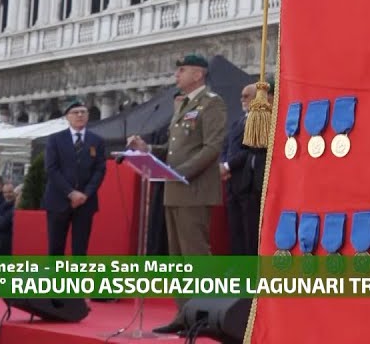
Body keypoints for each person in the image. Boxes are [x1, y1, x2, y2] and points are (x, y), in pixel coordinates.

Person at [126, 53, 226, 335]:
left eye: (182, 70)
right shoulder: (184, 105)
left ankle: (204, 315)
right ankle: (184, 314)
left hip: (193, 189)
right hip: (174, 190)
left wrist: (181, 172)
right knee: (178, 259)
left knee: (195, 255)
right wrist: (147, 149)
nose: (176, 75)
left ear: (198, 74)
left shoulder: (212, 103)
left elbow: (212, 147)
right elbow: (173, 149)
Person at [42, 99, 107, 256]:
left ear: (88, 115)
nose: (79, 115)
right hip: (59, 200)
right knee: (56, 248)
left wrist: (86, 194)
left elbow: (99, 170)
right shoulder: (55, 139)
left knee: (80, 250)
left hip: (85, 202)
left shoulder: (96, 141)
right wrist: (71, 193)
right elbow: (52, 169)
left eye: (83, 112)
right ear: (67, 117)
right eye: (75, 112)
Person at [222, 83, 266, 256]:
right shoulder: (238, 122)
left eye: (246, 96)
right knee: (235, 229)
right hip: (232, 182)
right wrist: (222, 163)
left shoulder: (260, 120)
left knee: (250, 231)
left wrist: (228, 166)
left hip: (248, 183)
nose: (242, 99)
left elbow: (250, 150)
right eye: (241, 96)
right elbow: (226, 145)